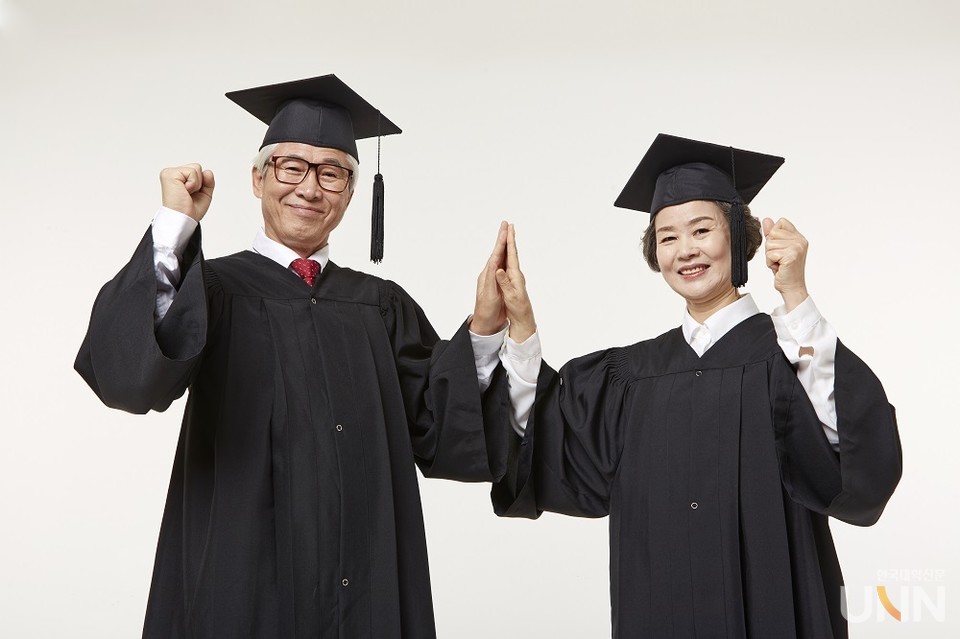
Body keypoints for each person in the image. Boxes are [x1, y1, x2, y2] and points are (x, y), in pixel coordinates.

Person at [75, 75, 512, 639]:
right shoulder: (211, 290)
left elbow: (442, 431)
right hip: (243, 581)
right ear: (257, 179)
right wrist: (176, 225)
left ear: (351, 195)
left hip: (364, 579)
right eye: (291, 167)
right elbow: (129, 381)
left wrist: (482, 329)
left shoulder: (380, 306)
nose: (310, 188)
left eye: (332, 173)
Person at [473, 134, 902, 638]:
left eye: (702, 230)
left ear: (739, 239)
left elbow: (853, 457)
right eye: (668, 237)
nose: (686, 251)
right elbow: (542, 445)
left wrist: (795, 297)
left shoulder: (790, 352)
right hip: (659, 614)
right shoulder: (631, 376)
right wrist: (521, 329)